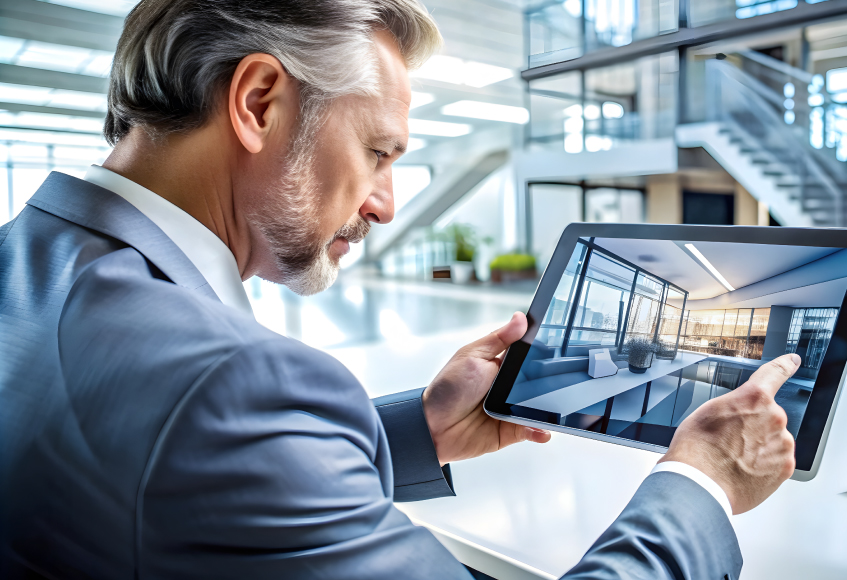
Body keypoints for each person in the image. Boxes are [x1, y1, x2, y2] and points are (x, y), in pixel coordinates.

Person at [0, 0, 801, 577]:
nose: (385, 204)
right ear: (257, 103)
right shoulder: (230, 384)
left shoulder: (26, 260)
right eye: (379, 152)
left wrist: (419, 429)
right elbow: (207, 430)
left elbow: (181, 484)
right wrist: (703, 478)